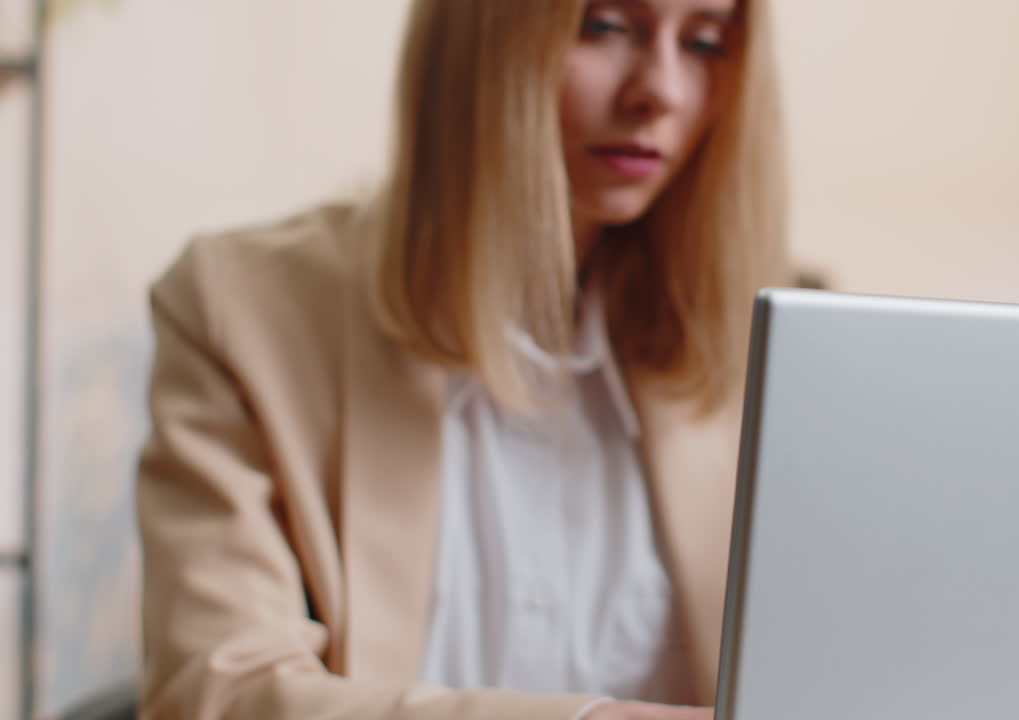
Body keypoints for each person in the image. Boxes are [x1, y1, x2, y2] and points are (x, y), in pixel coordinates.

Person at [135, 0, 785, 718]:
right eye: (602, 26)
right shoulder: (242, 313)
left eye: (704, 42)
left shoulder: (774, 345)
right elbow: (220, 696)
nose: (660, 90)